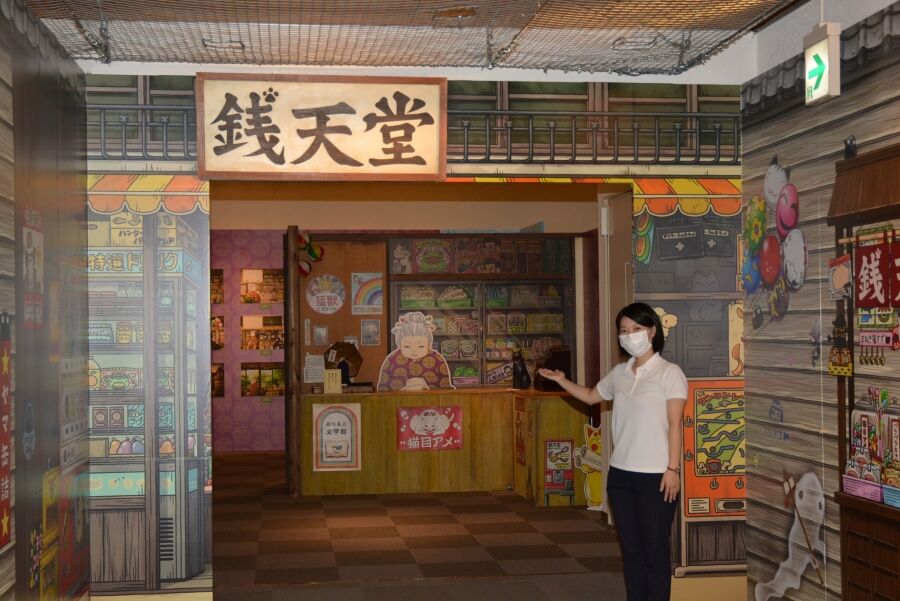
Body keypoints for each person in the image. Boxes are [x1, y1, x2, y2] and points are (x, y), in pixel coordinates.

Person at [538, 301, 687, 601]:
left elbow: (675, 424)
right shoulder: (620, 373)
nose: (630, 335)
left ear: (652, 331)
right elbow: (591, 396)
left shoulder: (669, 373)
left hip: (657, 477)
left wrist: (673, 469)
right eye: (624, 330)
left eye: (637, 328)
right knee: (631, 552)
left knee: (654, 552)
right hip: (621, 476)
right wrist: (562, 381)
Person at [377, 311, 454, 391]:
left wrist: (426, 386)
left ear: (428, 345)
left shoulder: (436, 358)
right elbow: (383, 388)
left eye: (421, 346)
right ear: (400, 345)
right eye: (407, 346)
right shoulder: (392, 358)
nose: (414, 350)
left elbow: (446, 387)